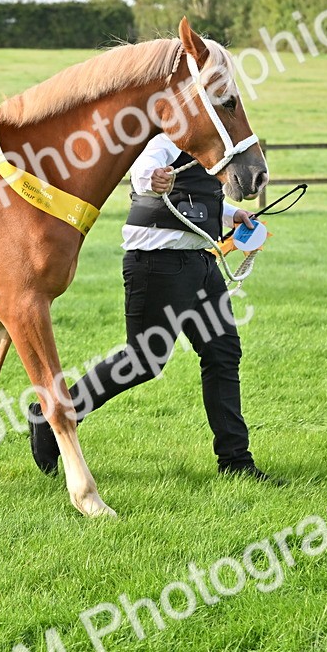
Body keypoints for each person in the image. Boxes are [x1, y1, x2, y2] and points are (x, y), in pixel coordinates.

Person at [27, 132, 283, 483]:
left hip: (201, 261)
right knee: (144, 361)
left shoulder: (206, 146)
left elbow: (197, 193)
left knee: (223, 354)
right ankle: (52, 414)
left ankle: (236, 462)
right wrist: (153, 177)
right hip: (157, 262)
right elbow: (143, 169)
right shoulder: (166, 138)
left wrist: (231, 214)